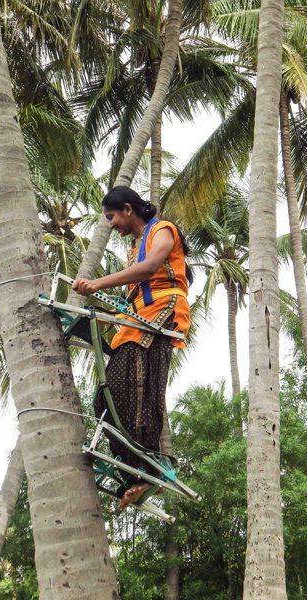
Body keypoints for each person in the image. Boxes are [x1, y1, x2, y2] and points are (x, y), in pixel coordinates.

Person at [72, 186, 191, 511]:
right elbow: (132, 298)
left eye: (111, 217)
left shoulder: (163, 231)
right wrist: (99, 319)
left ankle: (149, 469)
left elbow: (151, 269)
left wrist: (95, 283)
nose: (110, 225)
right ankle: (135, 468)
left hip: (164, 312)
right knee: (104, 399)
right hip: (137, 319)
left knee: (137, 390)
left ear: (127, 209)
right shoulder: (133, 250)